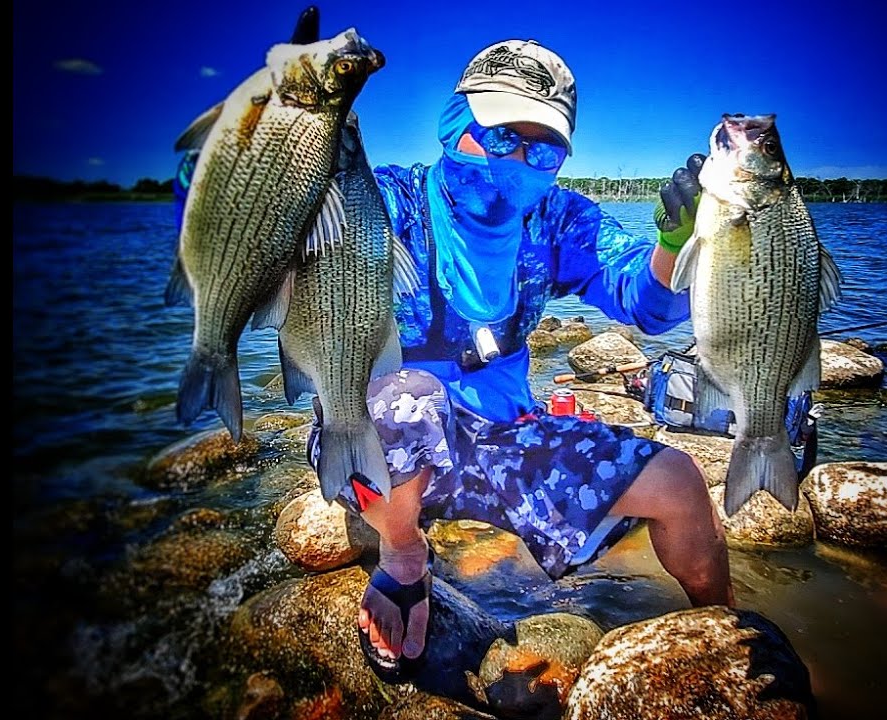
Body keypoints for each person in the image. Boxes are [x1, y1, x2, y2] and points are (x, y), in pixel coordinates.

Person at [176, 35, 730, 684]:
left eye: (542, 146)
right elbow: (237, 219)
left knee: (681, 484)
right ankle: (403, 552)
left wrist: (676, 240)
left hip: (501, 441)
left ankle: (728, 635)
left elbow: (648, 304)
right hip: (382, 448)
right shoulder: (381, 203)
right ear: (452, 123)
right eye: (501, 136)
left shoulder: (555, 220)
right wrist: (256, 144)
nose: (520, 158)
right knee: (406, 395)